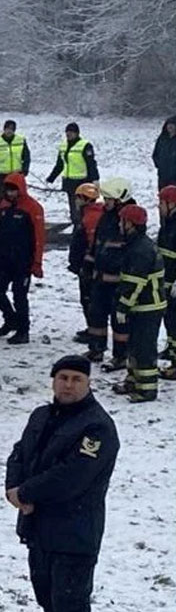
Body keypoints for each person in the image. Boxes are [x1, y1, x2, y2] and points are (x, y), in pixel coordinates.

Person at [5, 355, 118, 612]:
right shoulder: (41, 416)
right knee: (48, 603)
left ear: (88, 383)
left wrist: (27, 493)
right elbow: (19, 454)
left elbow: (72, 476)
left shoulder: (97, 428)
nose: (68, 385)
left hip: (74, 536)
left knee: (71, 611)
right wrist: (13, 490)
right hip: (38, 531)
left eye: (76, 379)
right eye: (63, 378)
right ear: (54, 380)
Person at [111, 205, 166, 403]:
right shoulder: (137, 244)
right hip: (142, 306)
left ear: (131, 224)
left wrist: (123, 306)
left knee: (144, 348)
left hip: (147, 307)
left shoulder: (140, 249)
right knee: (134, 345)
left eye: (122, 221)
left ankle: (147, 389)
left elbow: (135, 283)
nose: (119, 224)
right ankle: (133, 381)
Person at [0, 173, 46, 345]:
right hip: (4, 259)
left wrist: (37, 262)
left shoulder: (33, 207)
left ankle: (23, 330)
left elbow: (39, 237)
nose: (11, 194)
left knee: (19, 296)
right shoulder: (2, 206)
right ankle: (10, 318)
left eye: (13, 190)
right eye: (8, 190)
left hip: (23, 261)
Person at [84, 179, 135, 368]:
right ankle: (96, 348)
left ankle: (121, 355)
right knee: (96, 314)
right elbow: (97, 243)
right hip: (100, 276)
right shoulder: (106, 216)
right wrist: (88, 265)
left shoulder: (129, 219)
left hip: (117, 280)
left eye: (109, 199)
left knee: (119, 320)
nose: (106, 202)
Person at [69, 184, 105, 344]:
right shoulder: (90, 214)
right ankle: (92, 328)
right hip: (86, 264)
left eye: (78, 197)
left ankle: (94, 330)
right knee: (88, 299)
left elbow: (90, 243)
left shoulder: (90, 217)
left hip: (89, 266)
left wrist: (85, 263)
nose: (76, 200)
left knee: (88, 299)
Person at [46, 122, 100, 224]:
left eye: (71, 132)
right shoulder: (63, 146)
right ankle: (77, 227)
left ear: (77, 133)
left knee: (84, 208)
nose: (68, 134)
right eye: (67, 132)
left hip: (82, 182)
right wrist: (51, 178)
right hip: (69, 182)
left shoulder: (85, 145)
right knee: (73, 209)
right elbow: (60, 164)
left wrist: (95, 179)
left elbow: (91, 164)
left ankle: (86, 226)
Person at [0, 120, 31, 198]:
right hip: (2, 175)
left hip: (17, 174)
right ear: (4, 129)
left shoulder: (20, 140)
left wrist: (25, 170)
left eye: (12, 129)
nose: (9, 131)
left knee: (18, 197)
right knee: (2, 197)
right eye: (7, 128)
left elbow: (26, 157)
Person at [158, 186, 176, 371]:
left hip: (173, 282)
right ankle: (172, 350)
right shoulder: (169, 223)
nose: (159, 207)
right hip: (167, 282)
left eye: (162, 203)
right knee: (170, 319)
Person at [152, 116, 176, 189]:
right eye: (168, 124)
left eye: (173, 124)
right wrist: (159, 165)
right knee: (163, 197)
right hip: (163, 175)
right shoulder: (162, 138)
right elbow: (155, 154)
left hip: (175, 177)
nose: (170, 126)